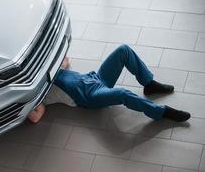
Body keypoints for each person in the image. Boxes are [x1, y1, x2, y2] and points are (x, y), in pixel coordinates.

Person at [28, 44, 191, 123]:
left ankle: (149, 84)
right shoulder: (38, 94)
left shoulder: (50, 70)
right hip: (91, 96)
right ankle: (161, 112)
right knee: (122, 94)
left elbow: (65, 60)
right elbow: (35, 117)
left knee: (123, 50)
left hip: (96, 78)